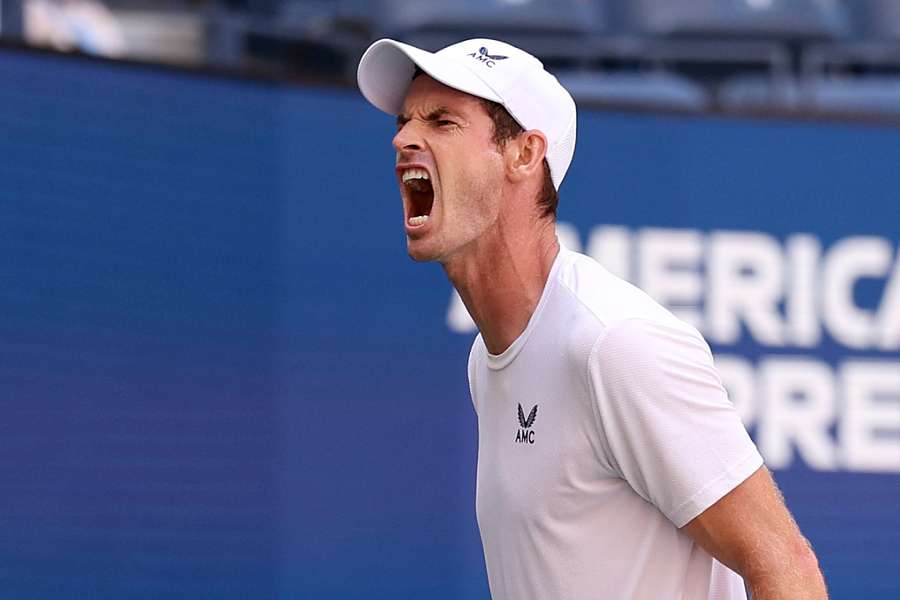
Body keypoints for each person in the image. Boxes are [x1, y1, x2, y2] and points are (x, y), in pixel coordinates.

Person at [357, 38, 828, 600]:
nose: (404, 138)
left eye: (442, 121)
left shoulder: (615, 343)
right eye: (405, 120)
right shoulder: (487, 358)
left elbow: (786, 567)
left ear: (524, 155)